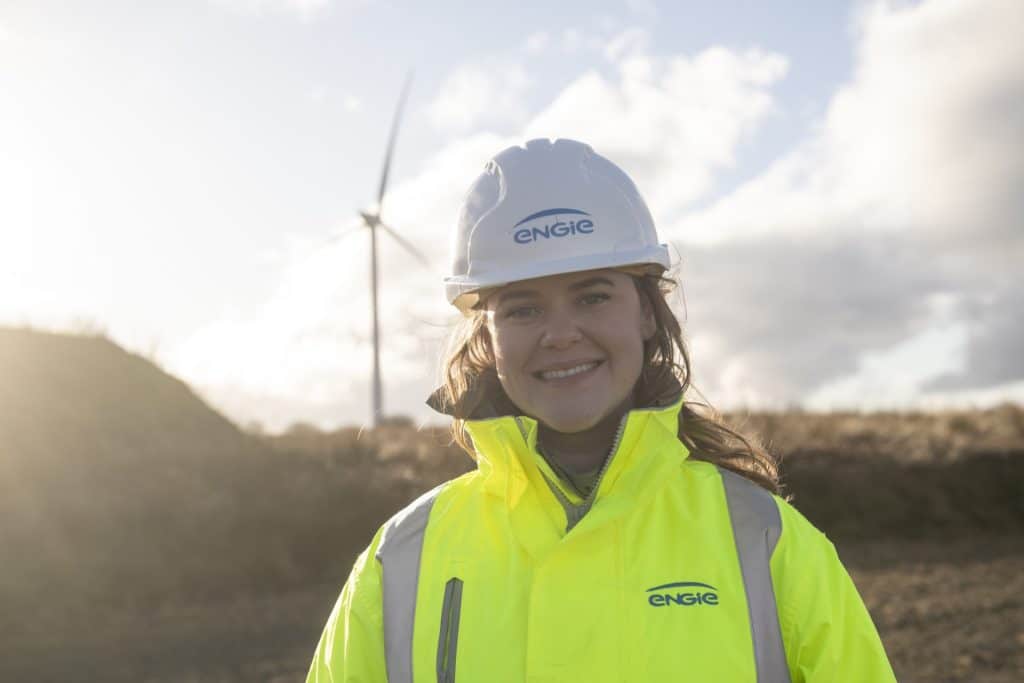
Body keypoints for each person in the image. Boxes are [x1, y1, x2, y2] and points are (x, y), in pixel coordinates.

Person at [306, 138, 896, 682]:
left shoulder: (765, 542)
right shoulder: (401, 559)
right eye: (522, 308)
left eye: (592, 296)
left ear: (645, 313)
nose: (561, 334)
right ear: (486, 335)